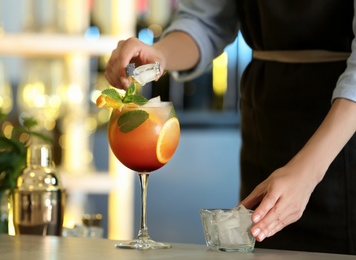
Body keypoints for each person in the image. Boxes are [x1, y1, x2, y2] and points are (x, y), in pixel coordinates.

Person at [104, 0, 356, 255]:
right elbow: (206, 20)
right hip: (268, 118)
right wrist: (159, 55)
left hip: (345, 129)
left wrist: (309, 172)